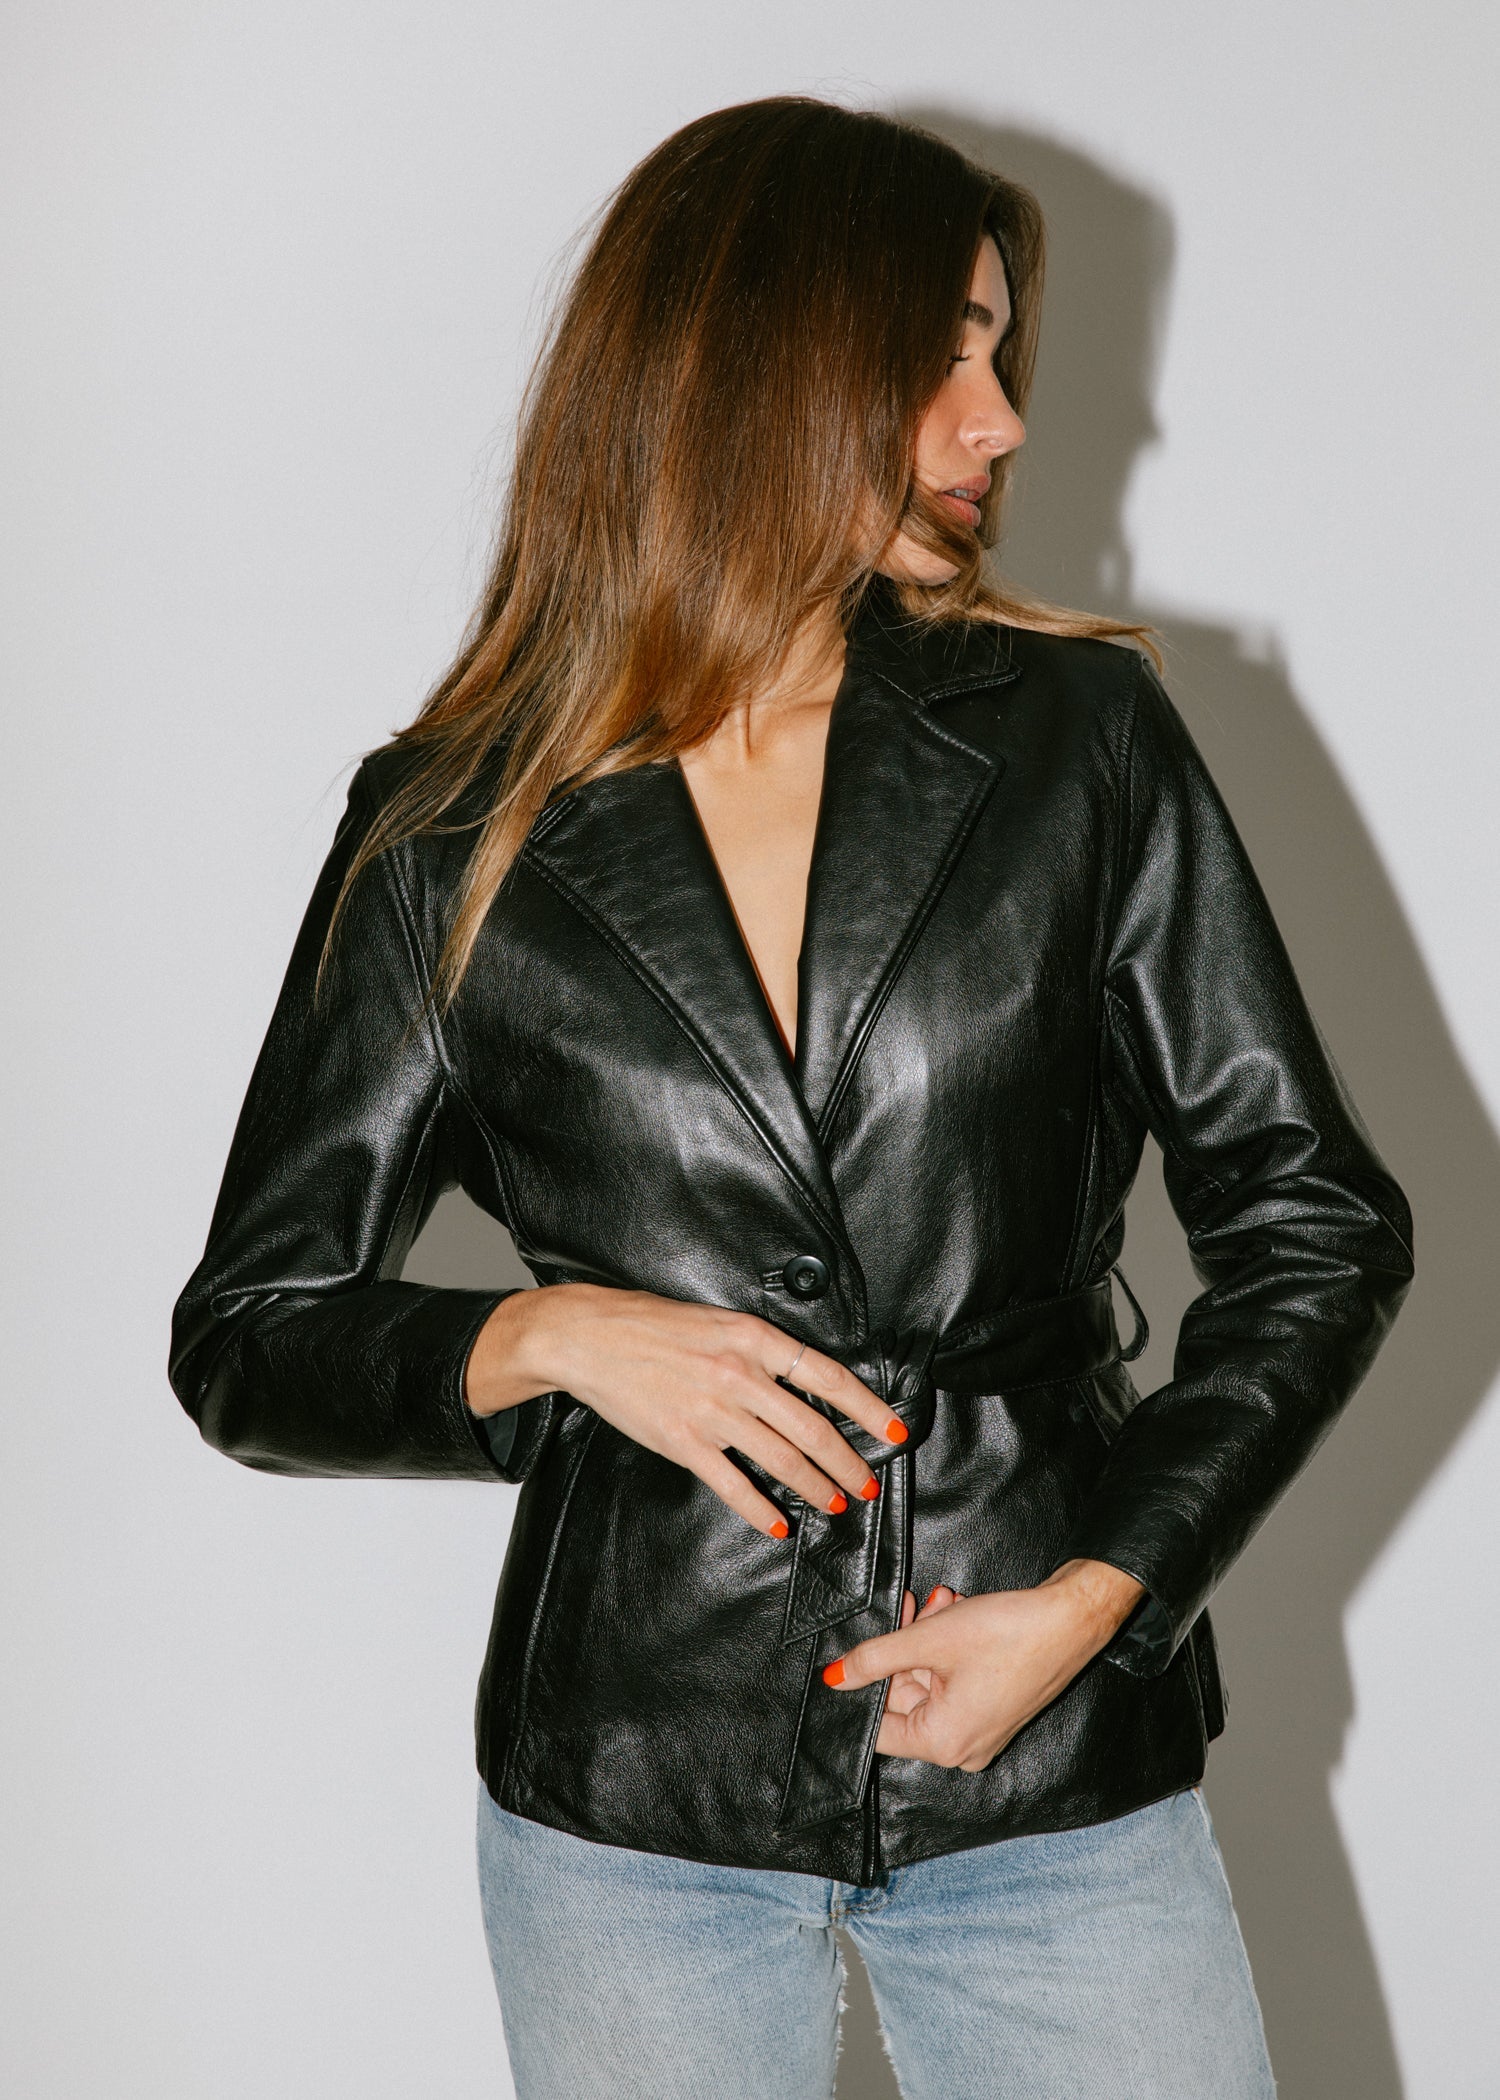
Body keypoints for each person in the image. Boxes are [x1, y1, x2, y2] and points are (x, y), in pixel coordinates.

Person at [170, 97, 1414, 2099]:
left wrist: (1097, 1604)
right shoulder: (449, 830)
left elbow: (1315, 1226)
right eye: (942, 354)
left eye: (999, 351)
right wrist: (555, 1336)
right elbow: (250, 1333)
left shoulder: (1079, 742)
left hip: (1051, 1758)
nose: (1001, 419)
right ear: (757, 368)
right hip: (632, 1792)